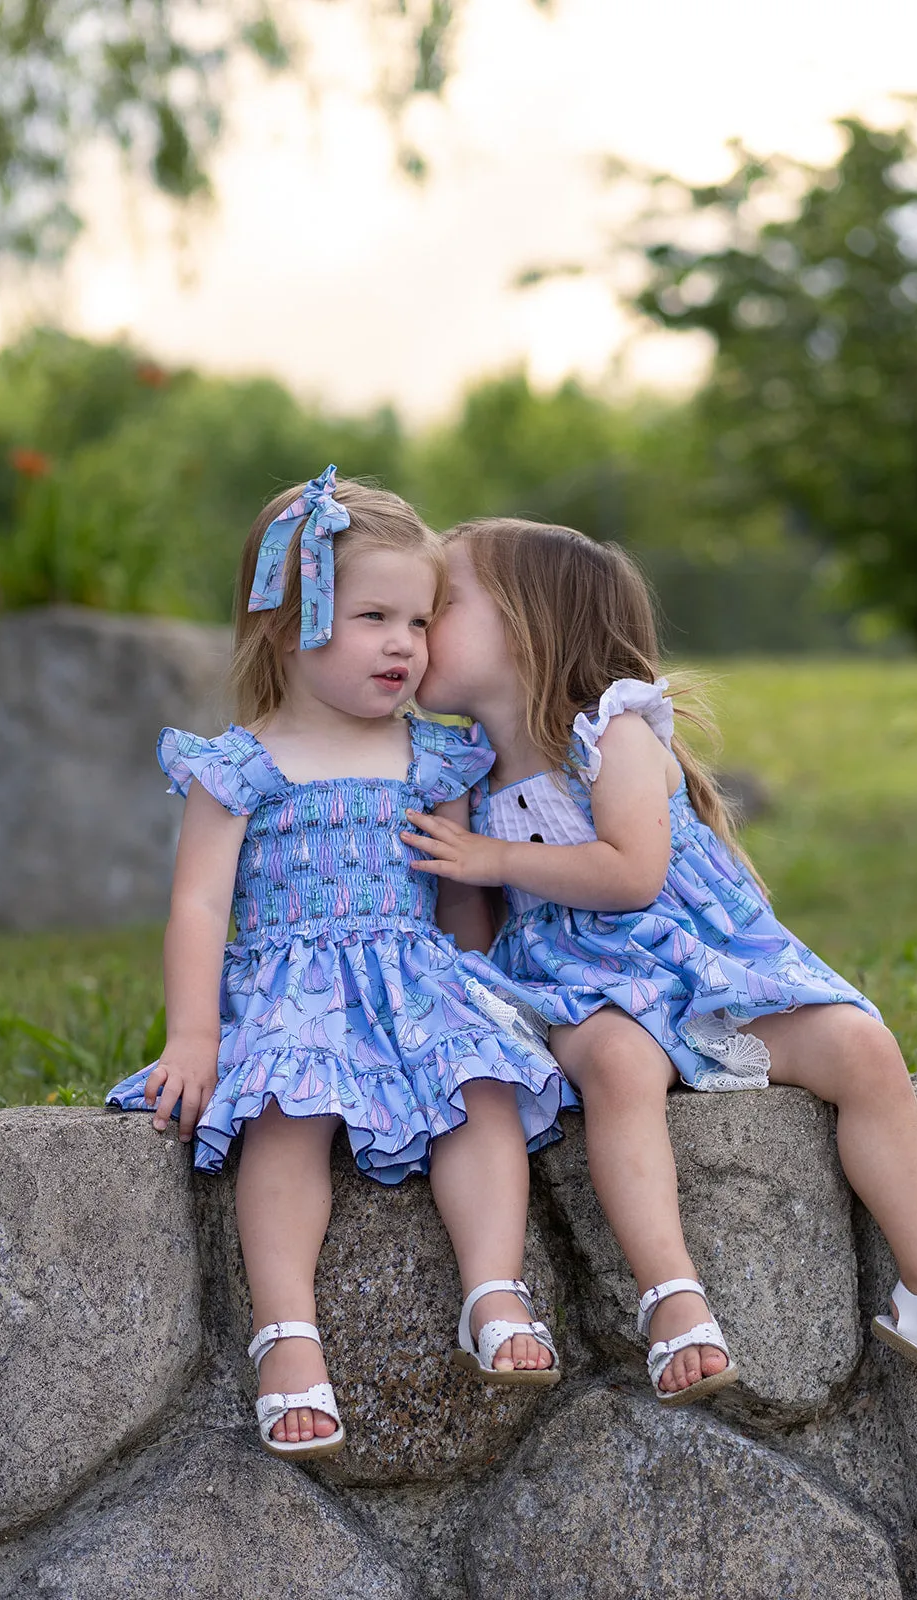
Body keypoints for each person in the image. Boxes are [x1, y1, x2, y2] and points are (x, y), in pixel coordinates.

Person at [403, 516, 917, 1406]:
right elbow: (467, 921)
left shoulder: (611, 734)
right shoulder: (456, 769)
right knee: (618, 1063)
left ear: (532, 626)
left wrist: (495, 860)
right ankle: (671, 1298)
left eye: (442, 605)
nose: (419, 627)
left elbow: (631, 874)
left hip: (698, 964)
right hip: (573, 984)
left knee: (861, 1049)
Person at [106, 473, 567, 1462]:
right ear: (286, 625)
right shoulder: (242, 765)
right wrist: (195, 1035)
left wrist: (478, 992)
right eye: (371, 617)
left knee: (480, 1088)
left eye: (418, 618)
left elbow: (456, 896)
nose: (403, 644)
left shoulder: (435, 757)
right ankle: (287, 1332)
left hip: (416, 980)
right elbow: (199, 904)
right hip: (293, 989)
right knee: (286, 1116)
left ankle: (492, 1289)